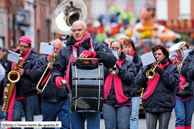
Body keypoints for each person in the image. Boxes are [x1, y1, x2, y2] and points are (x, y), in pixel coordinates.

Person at [51, 20, 117, 129]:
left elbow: (112, 60)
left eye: (79, 30)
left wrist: (95, 54)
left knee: (93, 127)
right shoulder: (65, 50)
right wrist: (57, 77)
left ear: (86, 31)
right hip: (73, 93)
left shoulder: (97, 46)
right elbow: (56, 68)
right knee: (76, 127)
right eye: (74, 30)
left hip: (94, 93)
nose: (76, 32)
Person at [135, 44, 179, 129]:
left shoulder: (171, 68)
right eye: (155, 54)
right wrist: (146, 69)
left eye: (159, 54)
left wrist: (161, 72)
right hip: (150, 104)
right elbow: (138, 82)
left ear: (165, 55)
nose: (157, 56)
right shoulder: (146, 67)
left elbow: (174, 83)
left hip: (165, 105)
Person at [31, 39, 70, 129]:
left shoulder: (66, 60)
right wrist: (46, 67)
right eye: (53, 48)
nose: (55, 51)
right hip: (48, 100)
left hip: (63, 99)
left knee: (66, 126)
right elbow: (33, 75)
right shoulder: (42, 60)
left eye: (58, 49)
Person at [3, 36, 38, 126]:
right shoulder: (13, 55)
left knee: (29, 120)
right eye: (20, 45)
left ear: (29, 47)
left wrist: (24, 72)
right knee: (16, 119)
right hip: (15, 92)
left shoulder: (34, 58)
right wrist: (6, 85)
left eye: (24, 46)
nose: (21, 48)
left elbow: (37, 74)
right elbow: (7, 72)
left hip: (29, 93)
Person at [102, 39, 136, 129]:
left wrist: (119, 69)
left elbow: (130, 78)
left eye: (117, 48)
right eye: (112, 48)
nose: (114, 50)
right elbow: (100, 77)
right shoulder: (104, 62)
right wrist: (109, 64)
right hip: (107, 100)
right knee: (109, 127)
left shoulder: (128, 63)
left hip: (123, 101)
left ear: (122, 49)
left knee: (123, 127)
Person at [123, 39, 142, 129]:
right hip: (123, 91)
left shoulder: (138, 60)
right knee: (124, 116)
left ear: (133, 48)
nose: (127, 49)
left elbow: (141, 75)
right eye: (125, 47)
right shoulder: (120, 59)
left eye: (129, 47)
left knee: (134, 116)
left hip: (135, 91)